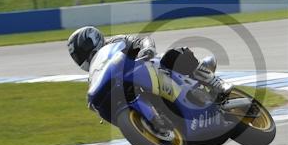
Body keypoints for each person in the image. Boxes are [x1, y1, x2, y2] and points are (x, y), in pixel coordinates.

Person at [67, 26, 232, 98]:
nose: (82, 57)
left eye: (82, 51)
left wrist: (147, 49)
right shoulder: (94, 75)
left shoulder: (115, 42)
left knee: (174, 54)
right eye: (78, 56)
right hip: (134, 89)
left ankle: (214, 81)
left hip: (153, 68)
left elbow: (141, 40)